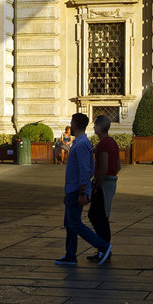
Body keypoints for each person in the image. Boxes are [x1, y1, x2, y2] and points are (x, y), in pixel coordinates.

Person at [54, 112, 110, 267]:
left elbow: (86, 170)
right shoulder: (80, 143)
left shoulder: (81, 144)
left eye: (72, 123)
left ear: (75, 125)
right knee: (69, 223)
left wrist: (82, 192)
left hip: (76, 190)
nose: (70, 126)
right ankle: (70, 255)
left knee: (75, 224)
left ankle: (103, 246)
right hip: (72, 190)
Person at [87, 114, 120, 246]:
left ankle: (104, 247)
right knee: (100, 215)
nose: (94, 127)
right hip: (111, 181)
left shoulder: (103, 144)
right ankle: (103, 247)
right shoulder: (113, 142)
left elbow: (104, 166)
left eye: (95, 125)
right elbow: (118, 166)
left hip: (103, 183)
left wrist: (97, 184)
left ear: (99, 128)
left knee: (98, 216)